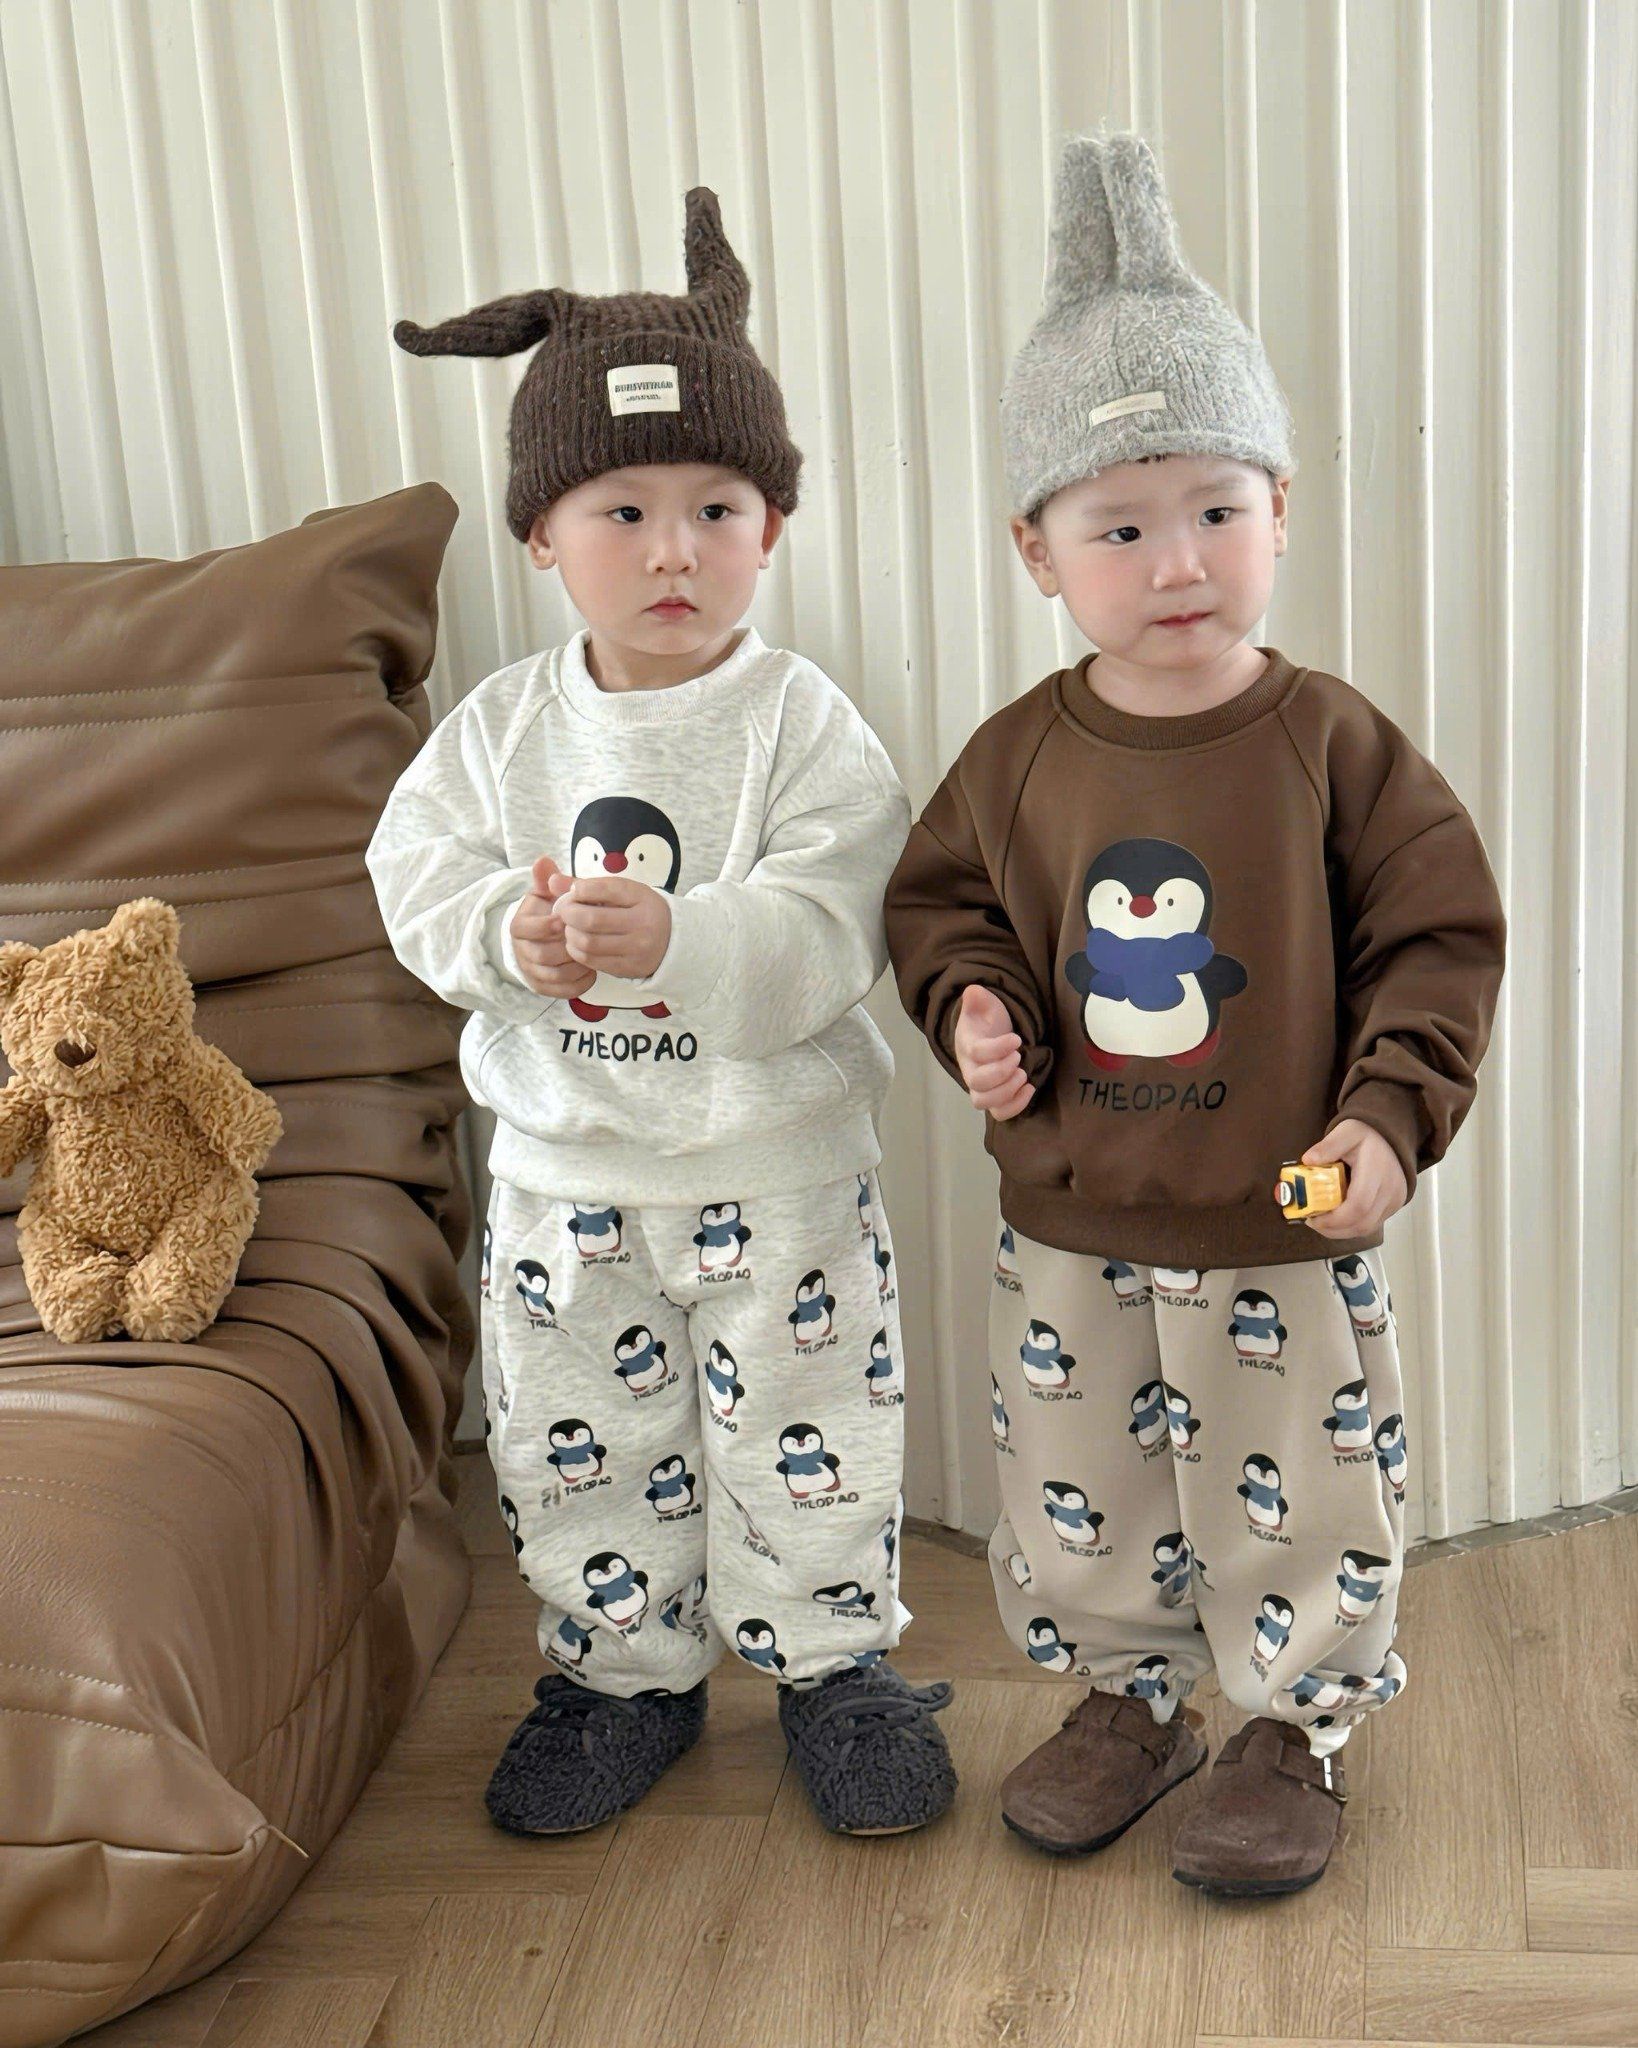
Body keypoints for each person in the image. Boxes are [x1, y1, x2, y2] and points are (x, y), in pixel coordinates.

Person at [885, 131, 1504, 1896]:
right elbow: (940, 906)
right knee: (1079, 1470)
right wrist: (972, 1005)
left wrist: (1385, 1118)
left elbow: (1436, 936)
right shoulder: (1016, 757)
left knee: (1298, 1480)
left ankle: (1289, 1726)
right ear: (1036, 549)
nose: (1177, 562)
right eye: (1121, 525)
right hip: (1072, 1215)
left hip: (1284, 1212)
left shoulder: (1331, 744)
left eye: (1216, 511)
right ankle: (1127, 1700)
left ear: (1280, 510)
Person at [369, 187, 954, 1840]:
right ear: (540, 538)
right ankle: (622, 1679)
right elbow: (414, 880)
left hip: (778, 1177)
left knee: (809, 1434)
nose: (674, 548)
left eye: (716, 506)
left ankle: (835, 1671)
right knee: (581, 1449)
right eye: (621, 509)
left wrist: (686, 938)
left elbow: (839, 918)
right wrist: (510, 936)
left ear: (772, 526)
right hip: (568, 1180)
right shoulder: (499, 732)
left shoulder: (802, 724)